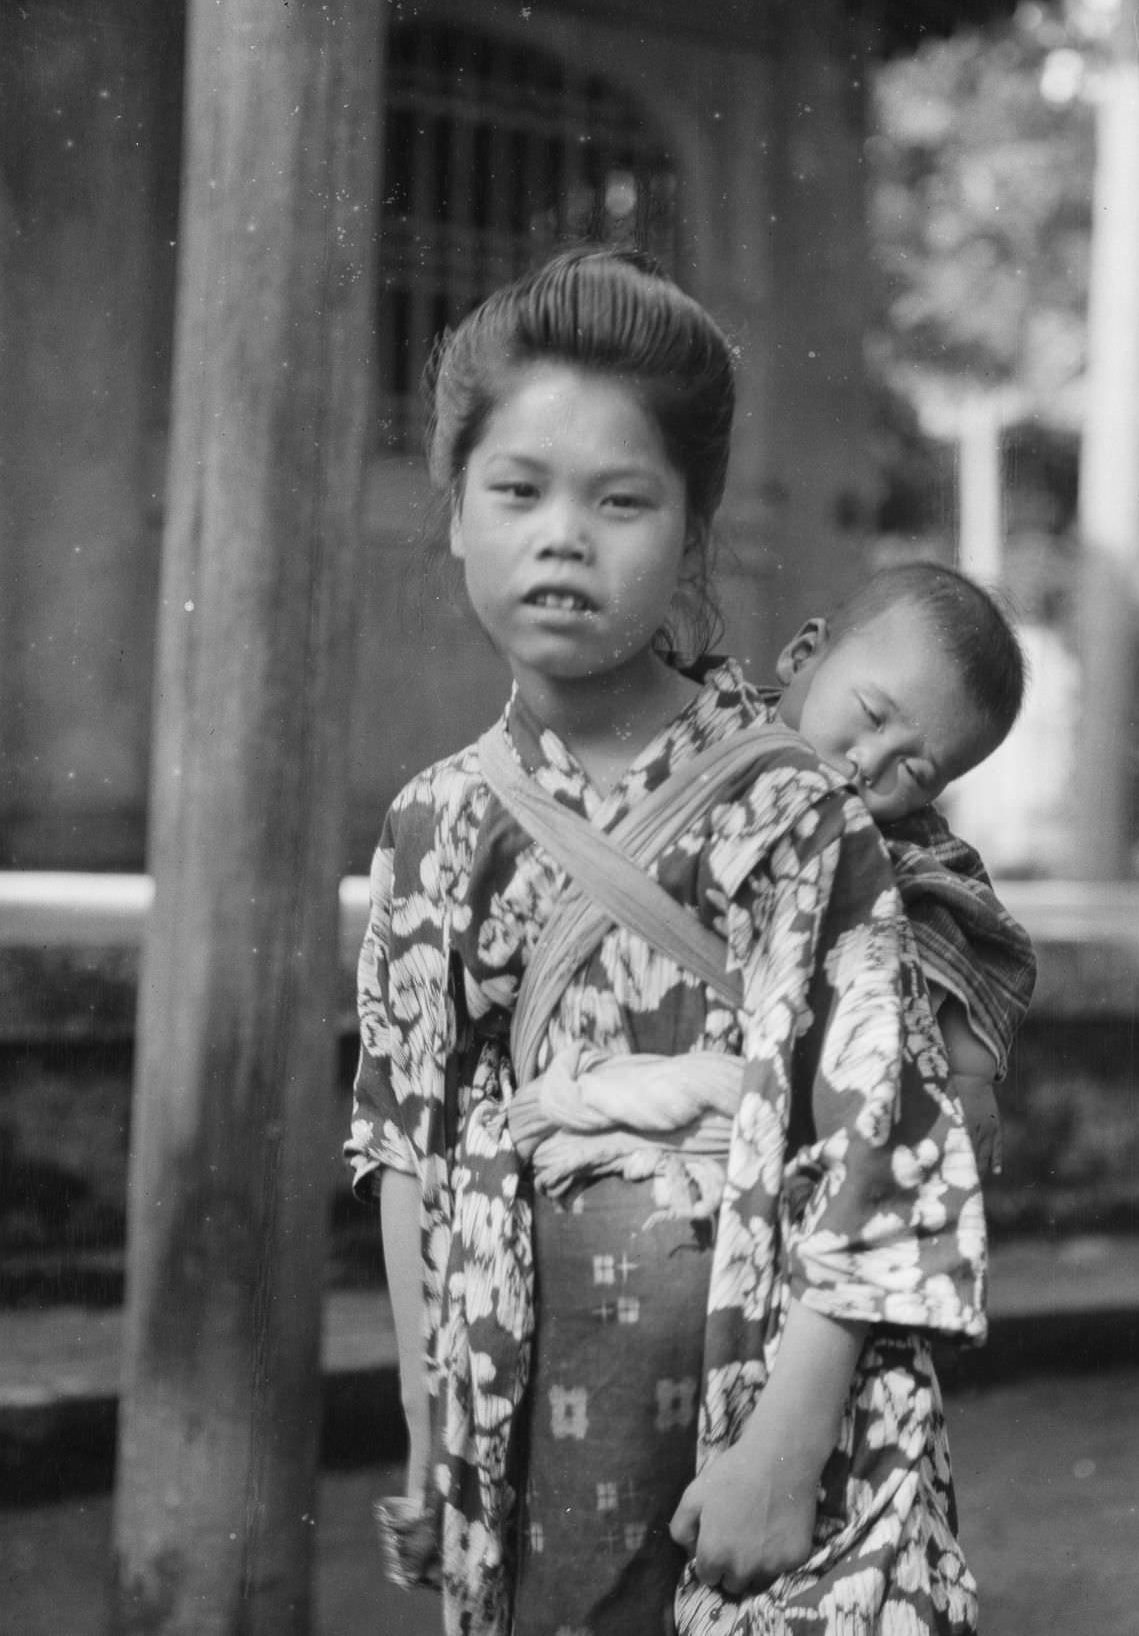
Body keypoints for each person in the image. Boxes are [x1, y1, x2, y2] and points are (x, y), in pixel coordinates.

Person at [346, 247, 986, 1636]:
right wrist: (427, 1408)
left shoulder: (798, 811)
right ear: (454, 513)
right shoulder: (433, 822)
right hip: (519, 1367)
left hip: (764, 1369)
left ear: (692, 532)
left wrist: (786, 1448)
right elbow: (409, 1134)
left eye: (620, 500)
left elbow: (885, 1134)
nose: (561, 535)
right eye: (517, 491)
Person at [771, 562, 1037, 1175]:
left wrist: (969, 1079)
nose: (869, 763)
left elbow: (978, 936)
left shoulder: (907, 847)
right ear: (804, 654)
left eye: (915, 772)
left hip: (815, 1096)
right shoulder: (709, 741)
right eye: (871, 714)